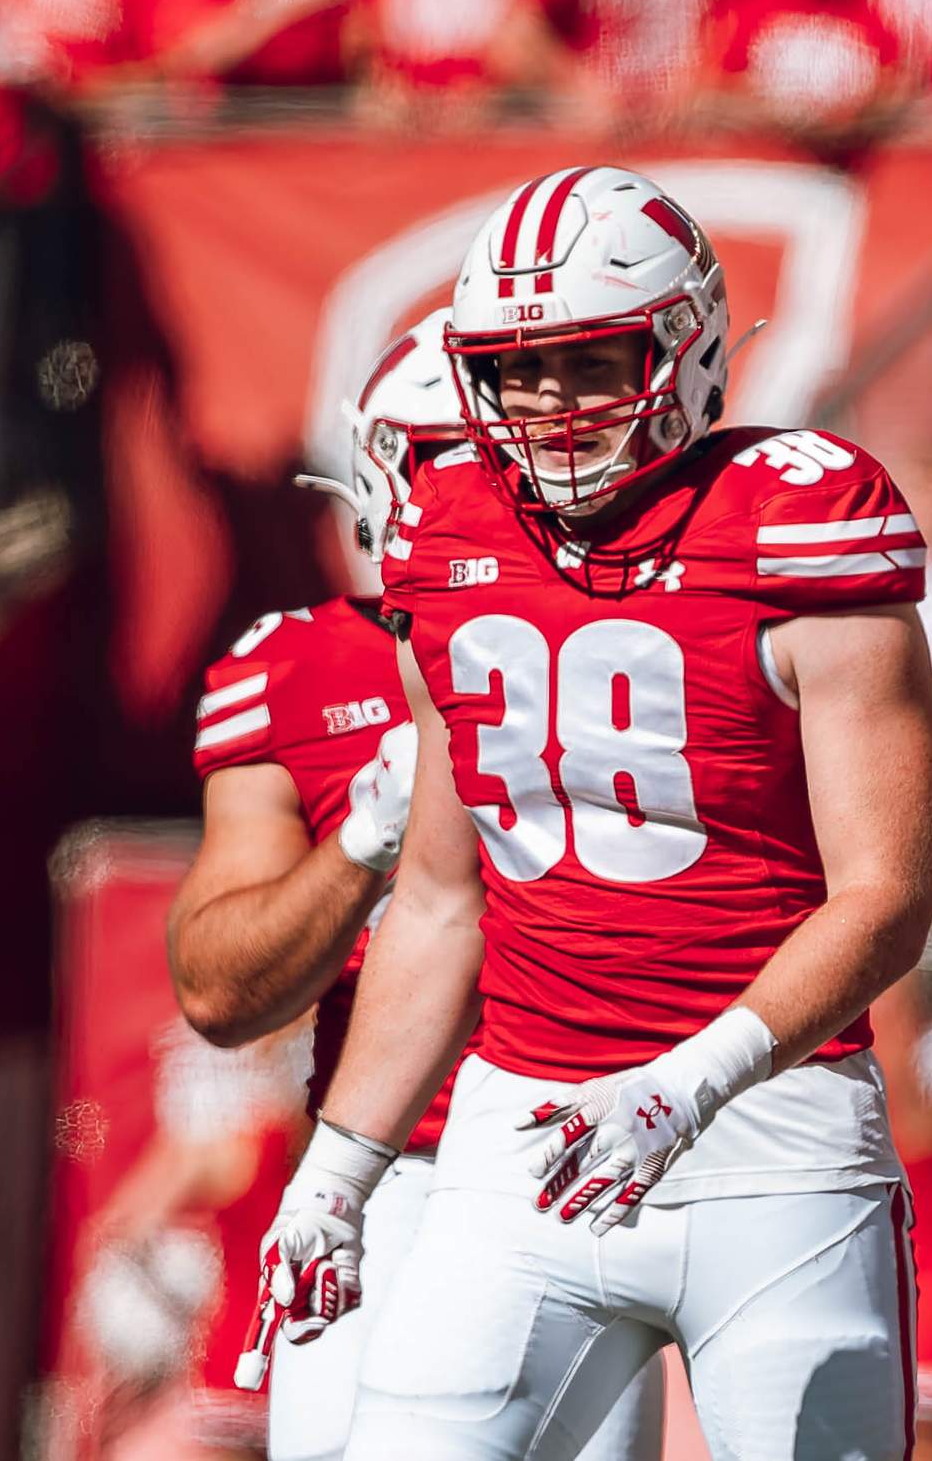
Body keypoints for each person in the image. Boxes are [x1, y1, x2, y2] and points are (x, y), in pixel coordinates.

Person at [242, 166, 932, 1459]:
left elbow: (887, 895)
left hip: (768, 1132)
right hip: (524, 1136)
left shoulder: (800, 517)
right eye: (516, 371)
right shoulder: (449, 537)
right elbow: (448, 899)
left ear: (683, 339)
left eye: (586, 361)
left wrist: (692, 1081)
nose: (549, 407)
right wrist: (339, 1166)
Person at [176, 313, 664, 1460]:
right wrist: (365, 838)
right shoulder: (294, 661)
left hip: (593, 1168)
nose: (488, 487)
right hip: (397, 1167)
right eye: (452, 457)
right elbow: (217, 987)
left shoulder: (661, 632)